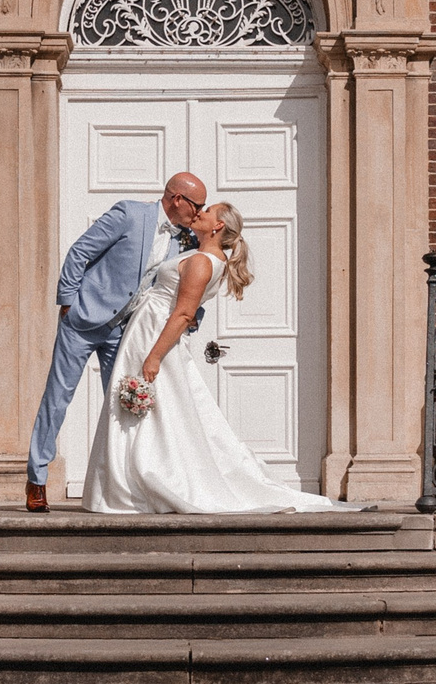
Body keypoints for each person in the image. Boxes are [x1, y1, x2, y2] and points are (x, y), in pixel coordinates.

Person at [81, 201, 360, 514]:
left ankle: (143, 482)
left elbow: (184, 313)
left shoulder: (202, 262)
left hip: (156, 335)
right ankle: (128, 482)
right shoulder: (203, 255)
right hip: (146, 329)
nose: (199, 212)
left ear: (217, 227)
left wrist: (154, 357)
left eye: (208, 211)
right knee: (160, 413)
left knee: (154, 410)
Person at [26, 171, 207, 513]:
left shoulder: (186, 240)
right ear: (177, 199)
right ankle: (36, 479)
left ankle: (122, 485)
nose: (199, 213)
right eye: (197, 205)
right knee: (58, 398)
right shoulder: (129, 214)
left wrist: (193, 318)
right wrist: (68, 302)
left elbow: (190, 285)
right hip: (83, 321)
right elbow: (80, 251)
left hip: (124, 331)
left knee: (126, 406)